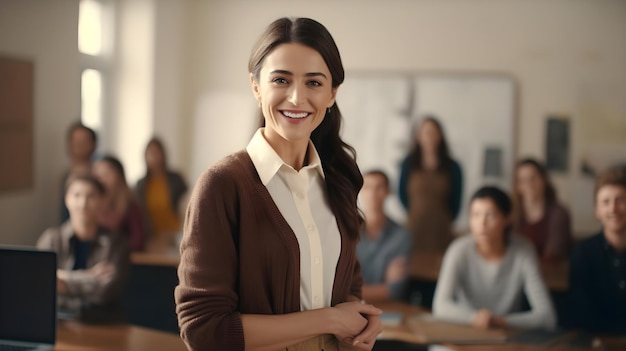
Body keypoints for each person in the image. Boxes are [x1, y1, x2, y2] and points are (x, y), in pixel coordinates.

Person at [175, 17, 382, 351]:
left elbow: (348, 286)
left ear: (332, 94)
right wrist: (329, 319)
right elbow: (204, 331)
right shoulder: (223, 185)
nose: (297, 98)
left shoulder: (338, 181)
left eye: (314, 83)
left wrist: (362, 324)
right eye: (281, 80)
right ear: (256, 87)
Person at [432, 186, 556, 330]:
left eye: (490, 215)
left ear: (507, 219)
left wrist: (500, 322)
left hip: (504, 335)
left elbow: (547, 316)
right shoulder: (459, 250)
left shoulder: (523, 251)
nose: (482, 223)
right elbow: (440, 306)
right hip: (464, 330)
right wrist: (474, 318)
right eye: (475, 215)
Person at [37, 173, 129, 321]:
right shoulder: (51, 239)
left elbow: (104, 292)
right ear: (67, 199)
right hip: (57, 321)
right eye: (77, 195)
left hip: (103, 322)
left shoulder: (115, 243)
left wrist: (61, 277)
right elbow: (40, 282)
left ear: (102, 201)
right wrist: (89, 276)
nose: (83, 203)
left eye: (91, 196)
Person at [567, 166, 626, 334]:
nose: (613, 209)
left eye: (620, 200)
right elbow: (580, 313)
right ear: (597, 210)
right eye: (606, 202)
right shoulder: (582, 253)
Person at [398, 116, 463, 255]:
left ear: (440, 136)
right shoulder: (408, 164)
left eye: (432, 132)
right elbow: (402, 195)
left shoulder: (453, 167)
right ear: (418, 137)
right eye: (425, 132)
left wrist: (446, 219)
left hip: (441, 228)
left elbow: (457, 200)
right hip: (414, 227)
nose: (429, 136)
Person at [357, 169, 411, 302]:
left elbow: (394, 291)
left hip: (389, 309)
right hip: (349, 310)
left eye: (379, 187)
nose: (373, 194)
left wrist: (351, 294)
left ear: (388, 192)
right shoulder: (346, 232)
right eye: (367, 187)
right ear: (360, 192)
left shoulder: (401, 236)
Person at [513, 158, 572, 262]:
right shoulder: (511, 214)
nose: (529, 184)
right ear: (518, 186)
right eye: (523, 180)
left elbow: (554, 256)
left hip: (550, 275)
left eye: (533, 178)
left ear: (543, 179)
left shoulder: (559, 214)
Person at [93, 155, 148, 252]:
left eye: (106, 174)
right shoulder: (91, 204)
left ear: (119, 176)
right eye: (98, 176)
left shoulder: (130, 206)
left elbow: (138, 242)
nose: (102, 180)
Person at [135, 137, 188, 237]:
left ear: (163, 154)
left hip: (177, 233)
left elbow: (186, 204)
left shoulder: (176, 180)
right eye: (150, 154)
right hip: (152, 236)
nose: (153, 157)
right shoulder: (141, 185)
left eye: (156, 153)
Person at [60, 122, 98, 223]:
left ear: (93, 145)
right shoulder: (65, 177)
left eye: (83, 141)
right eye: (74, 141)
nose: (78, 145)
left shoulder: (99, 176)